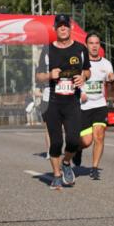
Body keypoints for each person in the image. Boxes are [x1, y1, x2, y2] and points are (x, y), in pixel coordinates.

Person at [36, 14, 90, 190]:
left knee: (74, 140)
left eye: (65, 25)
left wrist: (83, 77)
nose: (63, 28)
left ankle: (66, 163)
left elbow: (87, 71)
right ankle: (57, 176)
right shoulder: (47, 50)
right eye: (59, 26)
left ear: (71, 27)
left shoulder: (80, 49)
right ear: (55, 29)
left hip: (72, 100)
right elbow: (38, 76)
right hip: (52, 101)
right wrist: (49, 75)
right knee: (56, 141)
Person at [78, 32, 114, 181]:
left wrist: (112, 80)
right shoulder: (80, 62)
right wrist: (80, 93)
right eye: (91, 43)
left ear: (100, 45)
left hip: (100, 105)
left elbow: (112, 87)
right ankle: (77, 150)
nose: (94, 46)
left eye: (97, 43)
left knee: (99, 136)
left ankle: (94, 168)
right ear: (86, 45)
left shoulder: (106, 63)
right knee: (86, 141)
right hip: (84, 106)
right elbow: (72, 81)